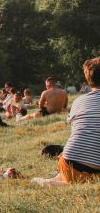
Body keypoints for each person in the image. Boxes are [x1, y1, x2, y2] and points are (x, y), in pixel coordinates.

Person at [34, 58, 100, 186]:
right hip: (94, 169)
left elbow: (78, 131)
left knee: (73, 159)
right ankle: (59, 181)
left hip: (71, 164)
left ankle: (56, 181)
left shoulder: (78, 102)